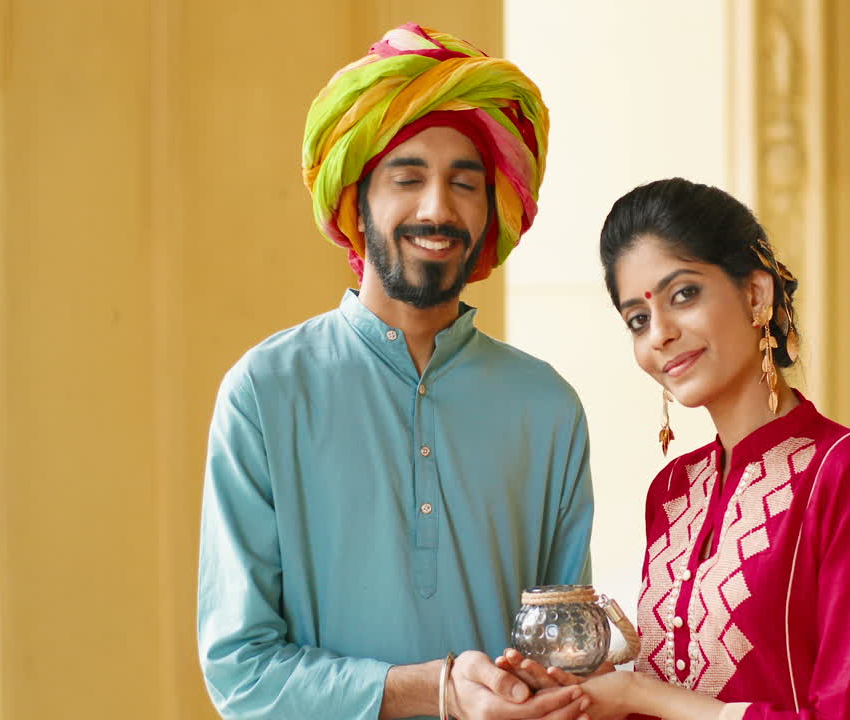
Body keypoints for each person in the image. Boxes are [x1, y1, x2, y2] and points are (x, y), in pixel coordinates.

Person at [197, 24, 596, 720]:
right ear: (357, 204)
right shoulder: (265, 394)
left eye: (464, 184)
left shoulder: (548, 407)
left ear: (490, 211)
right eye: (407, 179)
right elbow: (240, 672)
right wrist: (434, 687)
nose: (437, 208)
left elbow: (567, 661)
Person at [500, 178, 850, 720]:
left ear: (755, 294)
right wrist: (586, 693)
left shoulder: (847, 474)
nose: (660, 334)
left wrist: (638, 694)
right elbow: (671, 693)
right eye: (638, 319)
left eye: (684, 295)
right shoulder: (673, 491)